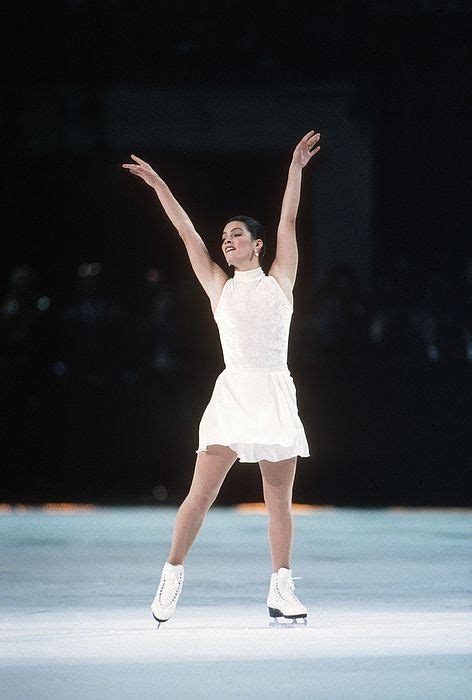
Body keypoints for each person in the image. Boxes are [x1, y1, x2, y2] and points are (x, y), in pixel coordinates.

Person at [122, 130, 321, 626]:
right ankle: (171, 573)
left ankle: (281, 586)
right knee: (201, 494)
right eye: (225, 237)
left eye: (236, 236)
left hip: (274, 391)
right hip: (234, 394)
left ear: (256, 245)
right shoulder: (218, 286)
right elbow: (187, 233)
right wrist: (160, 187)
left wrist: (294, 170)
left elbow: (289, 219)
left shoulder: (280, 279)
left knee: (279, 500)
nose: (226, 241)